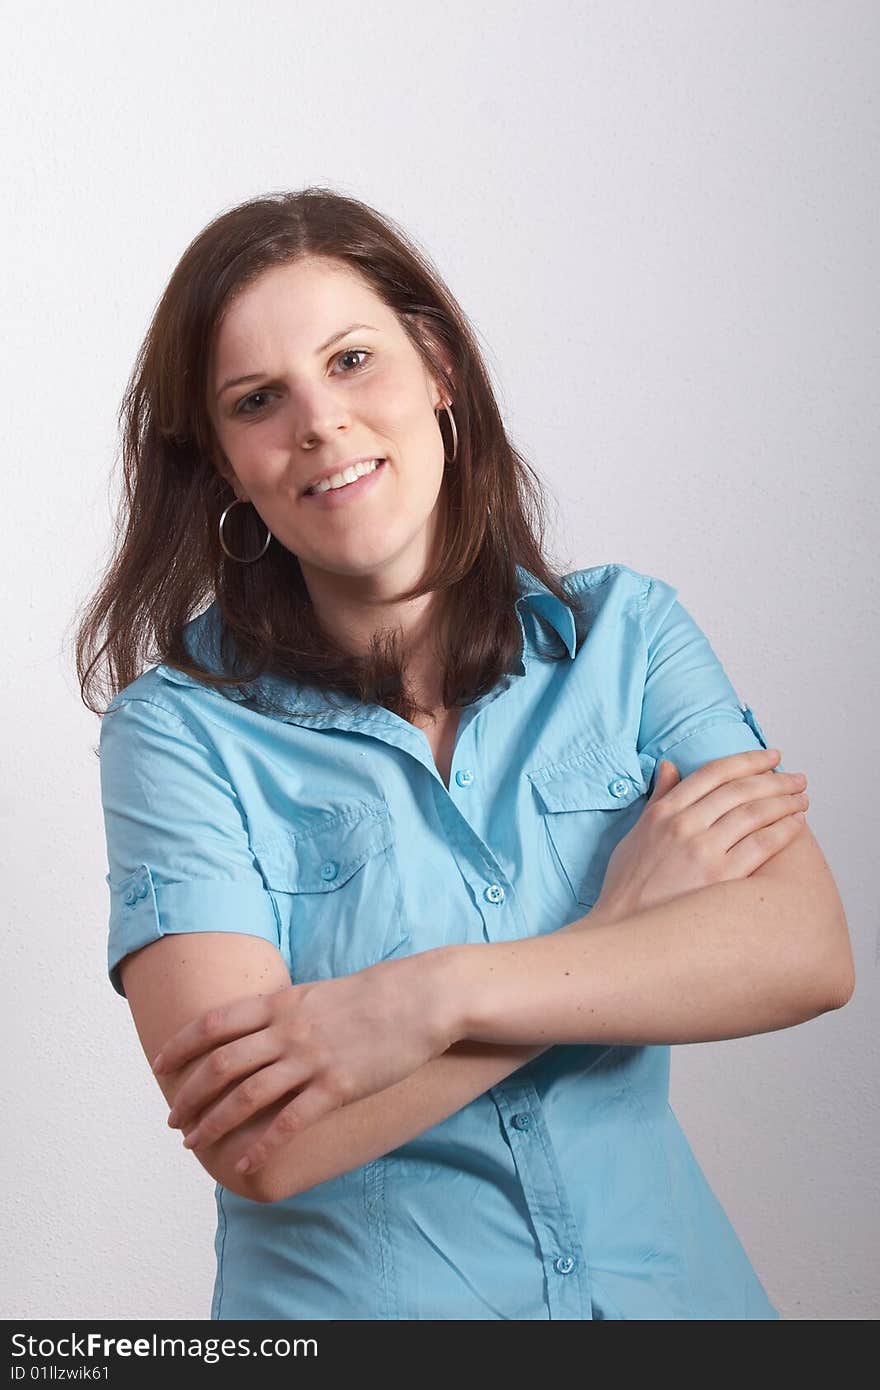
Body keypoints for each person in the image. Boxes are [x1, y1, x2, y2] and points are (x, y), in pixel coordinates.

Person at [76, 188, 854, 1321]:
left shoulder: (626, 639)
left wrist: (429, 999)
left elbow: (804, 947)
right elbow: (260, 1146)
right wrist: (609, 942)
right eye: (259, 400)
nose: (321, 423)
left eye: (352, 360)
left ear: (436, 364)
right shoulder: (177, 733)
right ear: (224, 466)